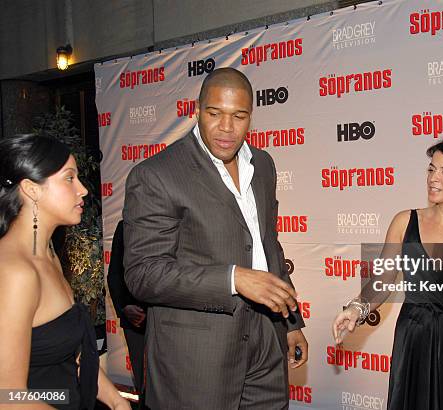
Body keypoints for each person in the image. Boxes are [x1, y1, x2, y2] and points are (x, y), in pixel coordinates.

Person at [122, 67, 308, 409]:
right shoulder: (156, 175)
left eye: (238, 116)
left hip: (267, 339)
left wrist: (291, 321)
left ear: (251, 117)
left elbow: (268, 245)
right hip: (197, 356)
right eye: (214, 113)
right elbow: (143, 274)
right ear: (196, 110)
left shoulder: (263, 165)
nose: (226, 128)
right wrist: (234, 279)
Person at [333, 133, 443, 410]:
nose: (434, 178)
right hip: (415, 333)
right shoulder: (404, 221)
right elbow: (384, 278)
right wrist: (357, 309)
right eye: (431, 169)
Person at [0, 135, 130, 410]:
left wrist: (117, 401)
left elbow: (72, 353)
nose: (83, 190)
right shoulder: (15, 273)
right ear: (32, 190)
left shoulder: (48, 254)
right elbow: (8, 397)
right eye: (69, 178)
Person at [107, 220, 147, 408]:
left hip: (170, 321)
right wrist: (124, 308)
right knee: (143, 381)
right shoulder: (125, 226)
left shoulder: (174, 222)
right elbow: (114, 274)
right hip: (136, 322)